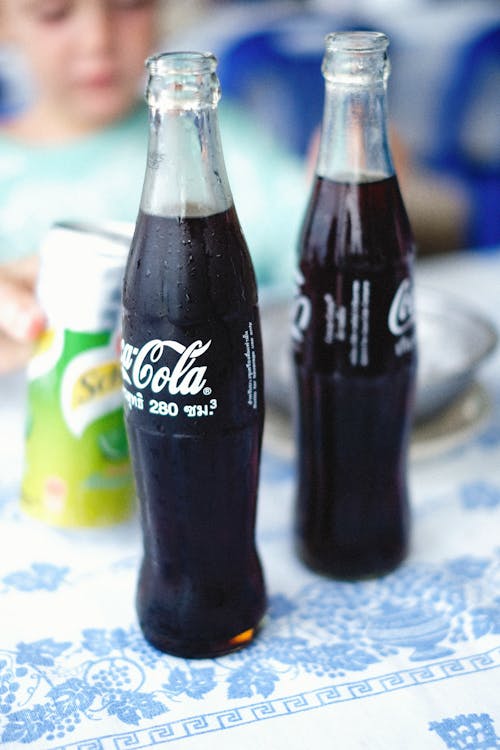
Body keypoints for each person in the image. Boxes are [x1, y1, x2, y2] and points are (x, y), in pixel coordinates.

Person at [0, 0, 307, 373]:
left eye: (130, 5)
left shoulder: (214, 141)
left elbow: (321, 262)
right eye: (54, 13)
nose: (99, 40)